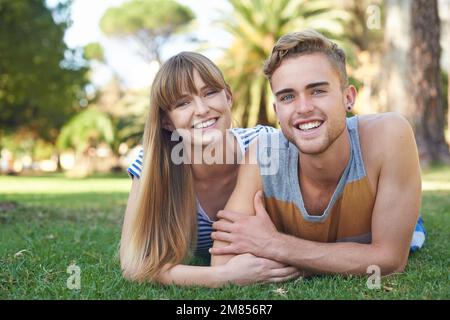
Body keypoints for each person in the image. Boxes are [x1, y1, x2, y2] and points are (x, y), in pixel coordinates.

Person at [210, 29, 426, 276]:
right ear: (277, 110)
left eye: (318, 91)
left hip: (385, 208)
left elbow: (389, 261)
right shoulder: (263, 154)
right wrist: (339, 258)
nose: (303, 108)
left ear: (348, 97)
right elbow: (223, 264)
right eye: (288, 96)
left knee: (409, 231)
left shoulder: (389, 135)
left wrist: (274, 244)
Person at [121, 51, 300, 286]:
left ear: (228, 97)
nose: (202, 109)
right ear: (167, 122)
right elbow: (133, 264)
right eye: (183, 103)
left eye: (210, 93)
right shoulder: (153, 165)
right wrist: (222, 276)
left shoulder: (265, 144)